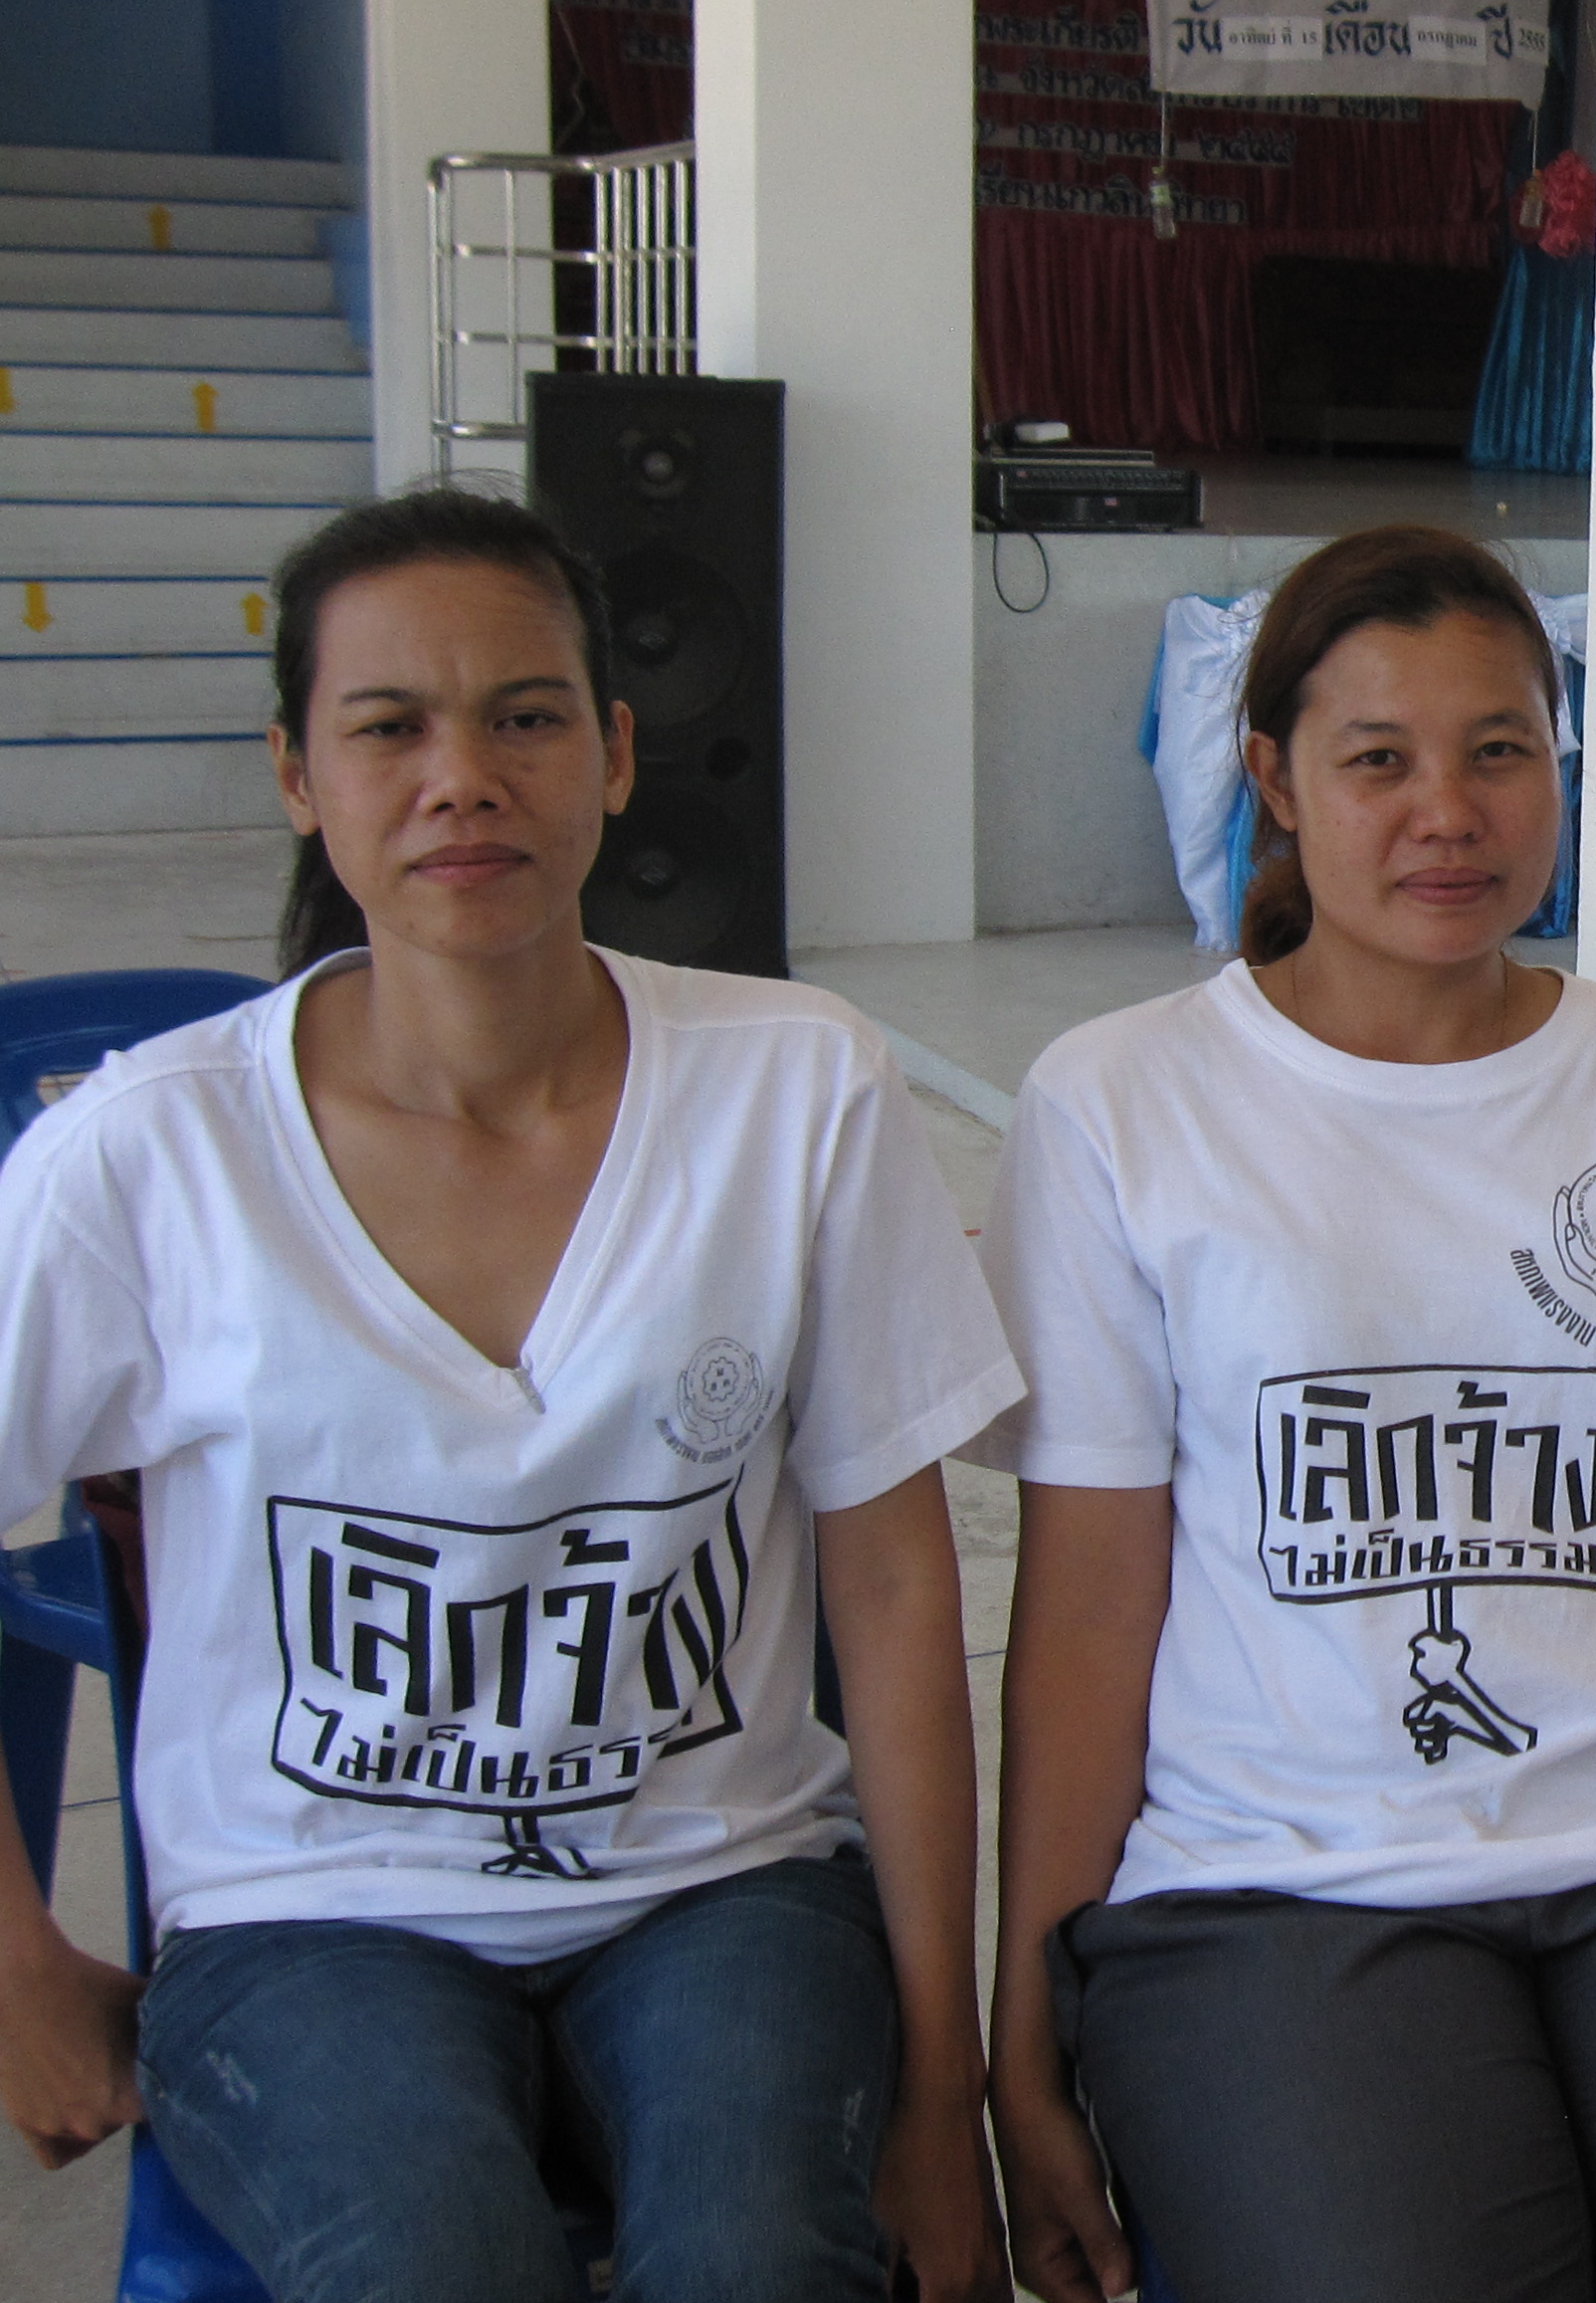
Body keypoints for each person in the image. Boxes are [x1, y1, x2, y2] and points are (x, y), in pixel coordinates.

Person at [0, 486, 1016, 2303]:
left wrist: (948, 2096)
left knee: (762, 2259)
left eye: (524, 716)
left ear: (614, 754)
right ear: (299, 775)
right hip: (306, 1916)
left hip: (726, 1883)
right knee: (428, 2263)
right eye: (389, 727)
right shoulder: (149, 1155)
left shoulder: (798, 1090)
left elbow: (891, 1582)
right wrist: (16, 1967)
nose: (460, 779)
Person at [976, 523, 1596, 2303]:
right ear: (1273, 781)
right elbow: (1081, 1612)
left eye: (1501, 749)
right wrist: (1024, 2024)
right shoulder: (1121, 1104)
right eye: (1378, 759)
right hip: (1281, 1883)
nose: (1447, 813)